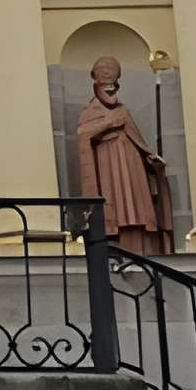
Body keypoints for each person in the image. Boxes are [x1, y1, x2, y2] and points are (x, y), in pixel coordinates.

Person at [75, 57, 172, 256]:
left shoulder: (123, 110)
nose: (112, 92)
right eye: (106, 88)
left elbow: (138, 141)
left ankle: (145, 249)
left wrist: (150, 160)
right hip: (108, 168)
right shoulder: (90, 111)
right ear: (96, 86)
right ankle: (119, 250)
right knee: (118, 211)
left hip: (132, 167)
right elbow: (83, 135)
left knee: (138, 209)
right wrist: (108, 125)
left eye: (114, 87)